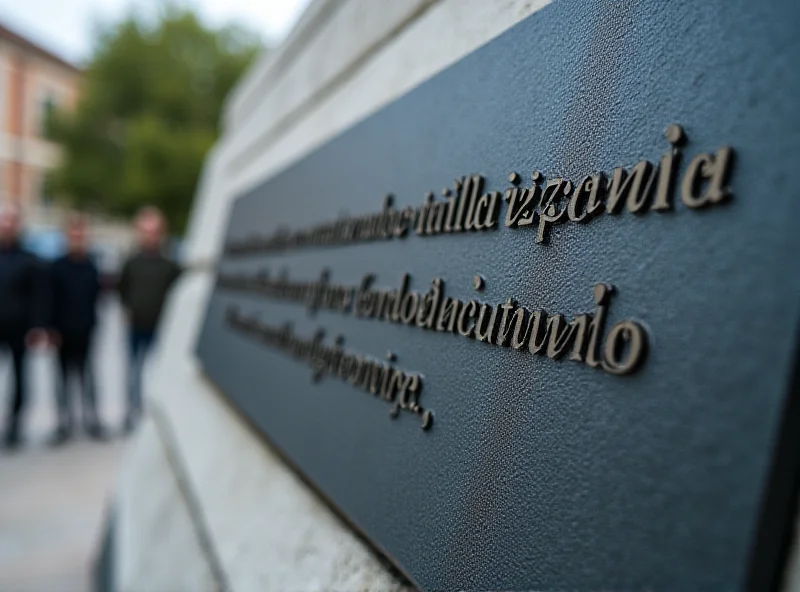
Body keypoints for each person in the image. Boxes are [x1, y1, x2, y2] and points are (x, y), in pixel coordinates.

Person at [118, 207, 180, 432]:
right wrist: (127, 309)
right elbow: (121, 289)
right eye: (145, 231)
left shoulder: (169, 266)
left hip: (160, 328)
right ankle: (132, 411)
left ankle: (157, 414)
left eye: (154, 231)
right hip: (136, 327)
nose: (150, 236)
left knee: (159, 373)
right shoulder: (130, 263)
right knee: (134, 371)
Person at [49, 214, 103, 443]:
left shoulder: (91, 265)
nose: (77, 238)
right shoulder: (56, 267)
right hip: (62, 333)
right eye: (74, 234)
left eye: (81, 234)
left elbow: (96, 298)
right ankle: (64, 423)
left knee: (89, 379)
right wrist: (51, 329)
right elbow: (49, 299)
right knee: (61, 381)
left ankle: (92, 420)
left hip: (86, 331)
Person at [0, 205, 49, 448]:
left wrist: (38, 326)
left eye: (11, 222)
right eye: (4, 222)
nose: (7, 226)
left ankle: (15, 425)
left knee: (20, 379)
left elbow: (38, 297)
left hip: (19, 328)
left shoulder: (29, 261)